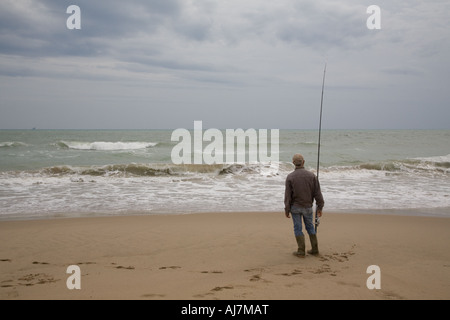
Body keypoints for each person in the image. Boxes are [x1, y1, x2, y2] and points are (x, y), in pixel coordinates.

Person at [284, 154, 324, 258]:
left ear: (293, 163)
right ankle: (315, 249)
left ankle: (301, 251)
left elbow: (288, 196)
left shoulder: (290, 177)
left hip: (295, 208)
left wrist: (287, 209)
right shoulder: (312, 176)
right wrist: (320, 207)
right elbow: (318, 194)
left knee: (298, 228)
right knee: (310, 226)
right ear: (303, 162)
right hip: (307, 207)